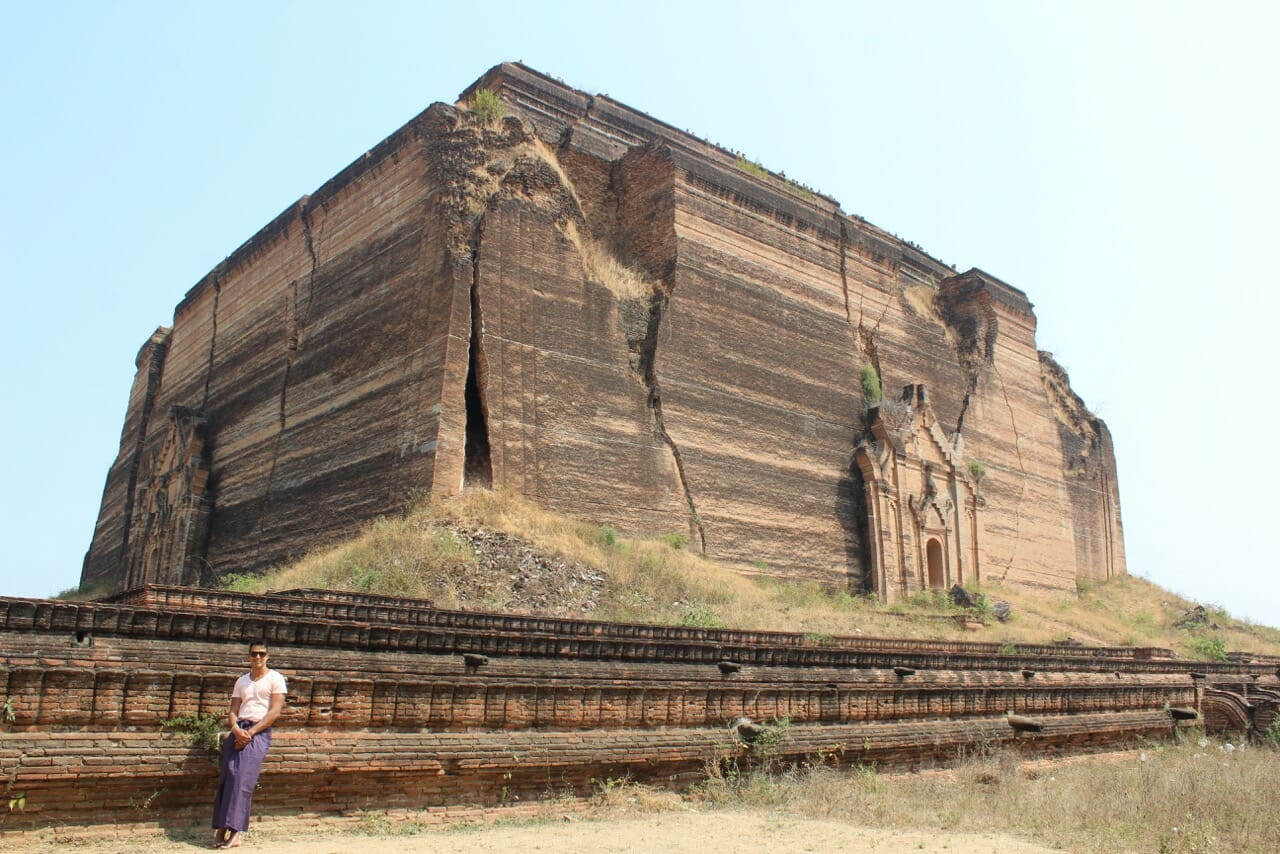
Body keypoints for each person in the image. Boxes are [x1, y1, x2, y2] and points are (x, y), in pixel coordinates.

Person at [211, 642, 286, 849]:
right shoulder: (242, 681)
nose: (258, 657)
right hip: (239, 729)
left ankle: (235, 833)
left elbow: (274, 712)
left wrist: (251, 732)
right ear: (249, 656)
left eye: (262, 653)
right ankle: (220, 829)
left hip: (258, 731)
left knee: (243, 780)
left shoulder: (275, 679)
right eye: (254, 654)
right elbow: (233, 710)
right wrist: (235, 729)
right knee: (228, 777)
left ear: (267, 656)